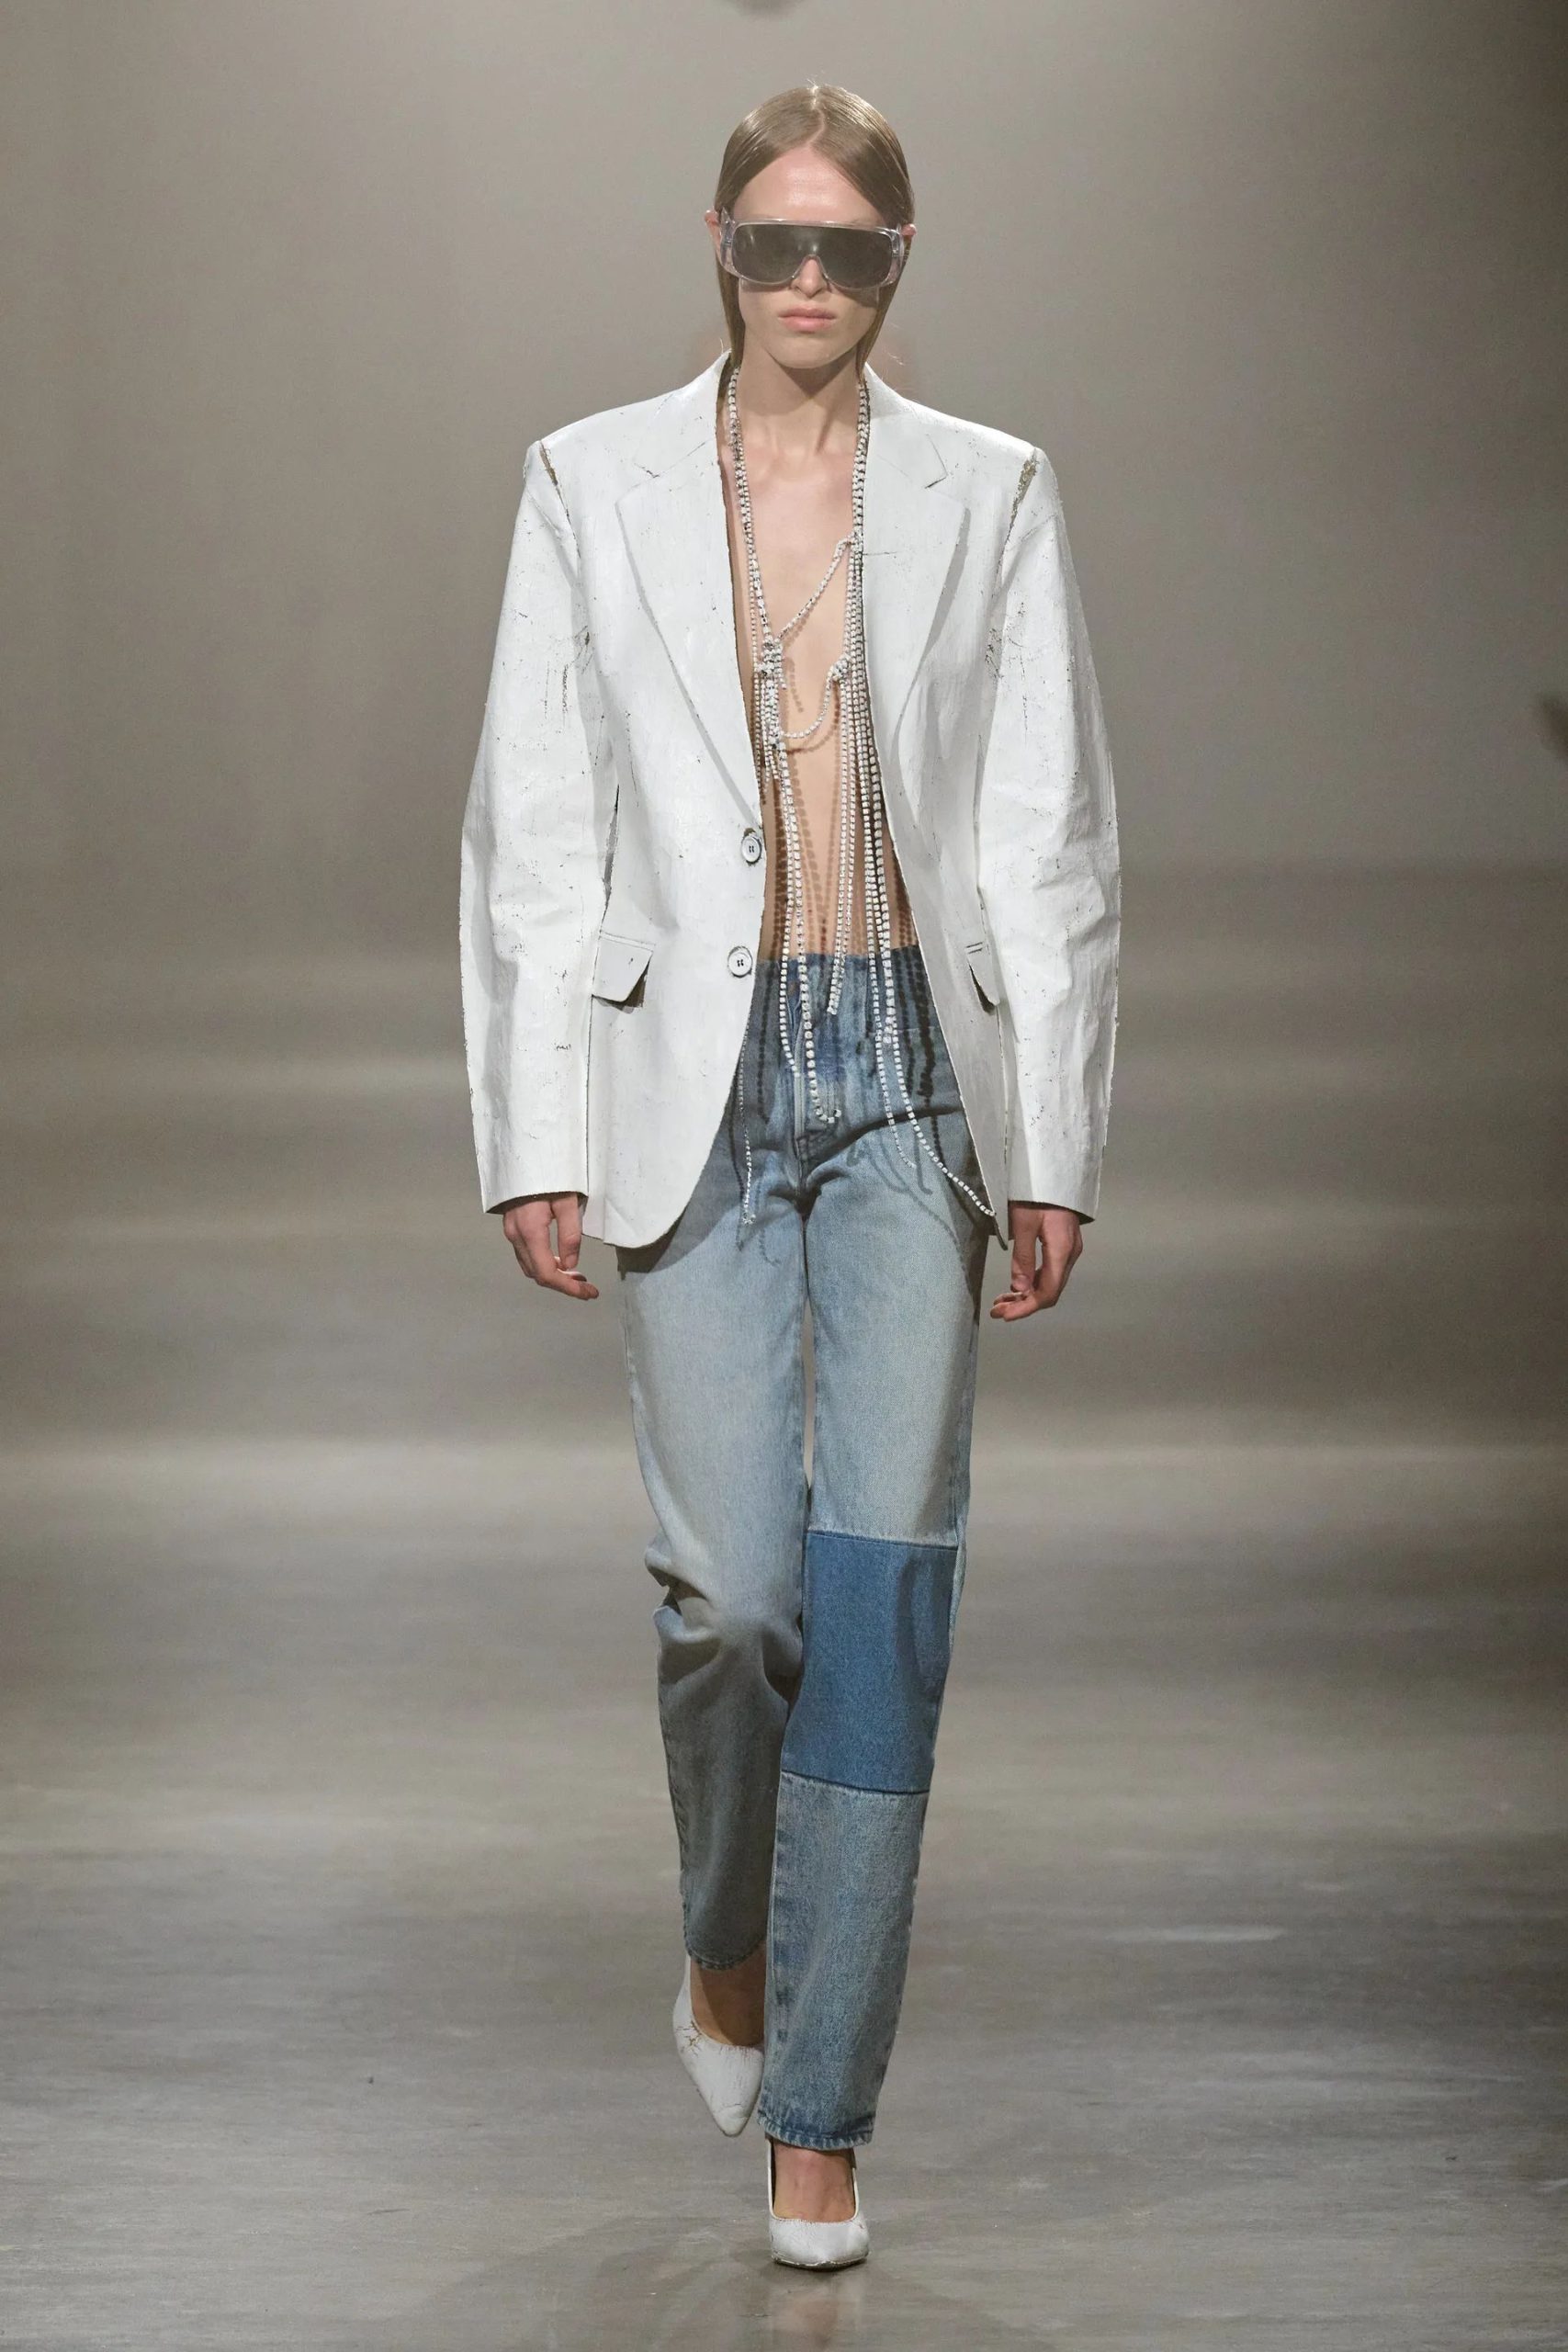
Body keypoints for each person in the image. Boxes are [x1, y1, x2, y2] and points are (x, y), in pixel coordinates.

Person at [458, 83, 1120, 2269]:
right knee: (730, 1596)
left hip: (916, 1074)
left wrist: (1051, 1136)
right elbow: (533, 823)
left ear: (897, 263)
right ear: (719, 250)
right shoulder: (590, 479)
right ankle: (726, 1933)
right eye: (775, 243)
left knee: (882, 1594)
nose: (809, 282)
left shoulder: (989, 490)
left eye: (849, 248)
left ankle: (818, 2116)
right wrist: (535, 1127)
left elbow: (1044, 824)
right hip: (695, 1079)